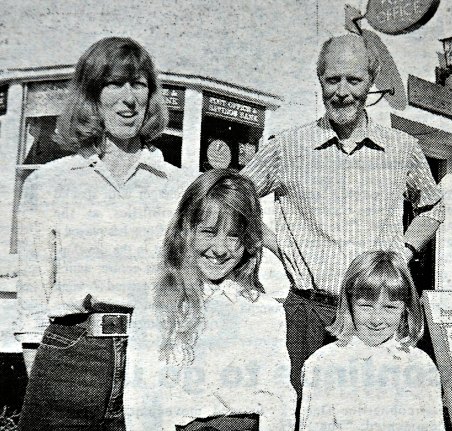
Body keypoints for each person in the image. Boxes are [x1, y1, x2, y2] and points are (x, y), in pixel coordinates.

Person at [241, 33, 445, 398]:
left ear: (371, 80)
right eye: (332, 79)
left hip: (375, 314)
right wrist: (274, 243)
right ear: (319, 80)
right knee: (302, 413)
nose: (342, 92)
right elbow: (231, 197)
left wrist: (403, 252)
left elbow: (432, 206)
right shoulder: (288, 147)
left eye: (354, 80)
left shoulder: (402, 148)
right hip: (308, 312)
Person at [15, 37, 189, 430]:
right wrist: (41, 370)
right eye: (115, 83)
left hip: (151, 352)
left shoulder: (177, 186)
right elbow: (33, 292)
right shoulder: (49, 183)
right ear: (92, 95)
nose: (129, 98)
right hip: (70, 355)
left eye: (139, 84)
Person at [125, 169, 296, 431]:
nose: (219, 249)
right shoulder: (158, 307)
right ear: (186, 231)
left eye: (233, 235)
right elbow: (143, 401)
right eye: (208, 232)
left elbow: (279, 399)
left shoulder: (264, 311)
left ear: (249, 240)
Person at [299, 250, 445, 431]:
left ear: (405, 309)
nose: (377, 319)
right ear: (349, 304)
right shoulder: (323, 363)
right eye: (366, 306)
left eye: (390, 307)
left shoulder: (420, 365)